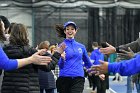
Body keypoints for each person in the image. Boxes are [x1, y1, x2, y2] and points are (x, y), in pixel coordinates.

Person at [1, 23, 65, 93]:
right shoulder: (31, 52)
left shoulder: (4, 50)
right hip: (29, 89)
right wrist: (57, 53)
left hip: (8, 89)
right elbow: (48, 67)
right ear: (26, 35)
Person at [55, 21, 93, 93]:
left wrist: (97, 72)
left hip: (78, 78)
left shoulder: (81, 47)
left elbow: (87, 62)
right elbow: (60, 66)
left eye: (72, 29)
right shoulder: (61, 46)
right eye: (68, 29)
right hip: (64, 78)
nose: (70, 31)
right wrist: (62, 59)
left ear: (75, 31)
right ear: (65, 31)